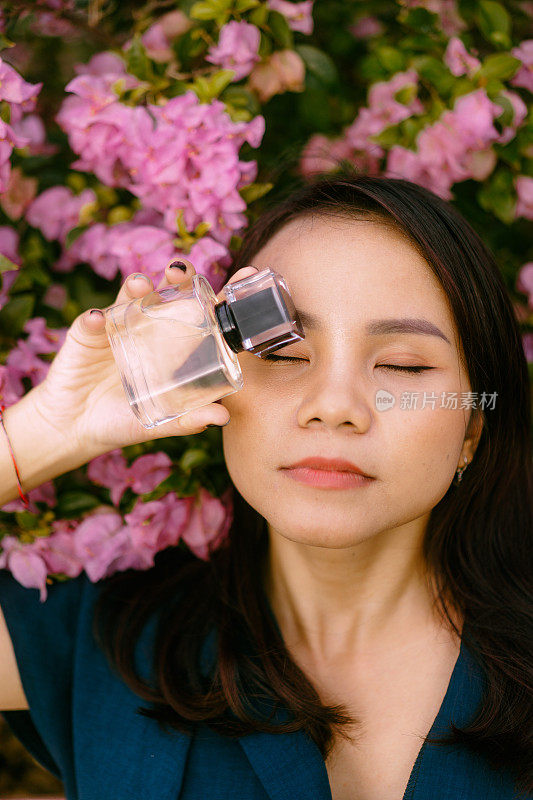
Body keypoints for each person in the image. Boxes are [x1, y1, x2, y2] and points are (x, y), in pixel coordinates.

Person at [0, 173, 531, 800]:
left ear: (471, 427)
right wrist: (47, 431)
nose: (334, 406)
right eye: (282, 353)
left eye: (403, 365)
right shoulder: (108, 640)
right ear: (216, 374)